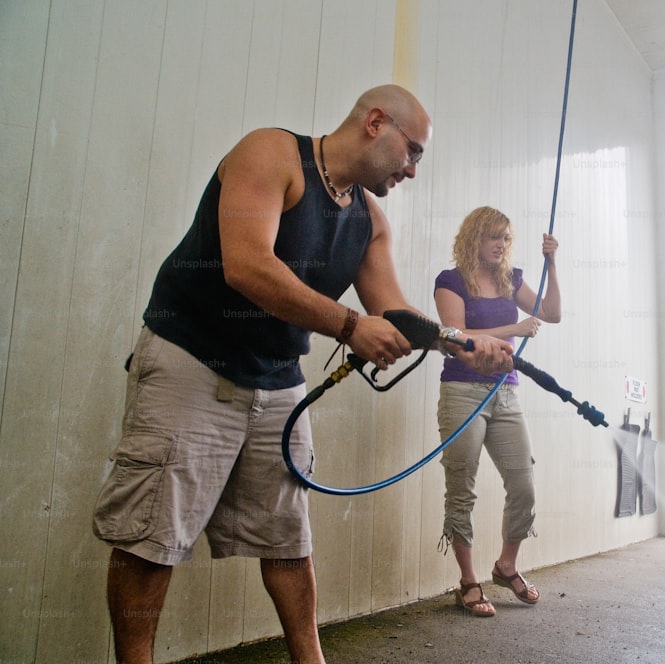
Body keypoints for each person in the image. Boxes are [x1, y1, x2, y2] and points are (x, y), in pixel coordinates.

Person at [91, 85, 514, 664]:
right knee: (151, 536)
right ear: (374, 123)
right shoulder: (271, 154)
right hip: (190, 359)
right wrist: (347, 326)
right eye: (411, 151)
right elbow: (246, 263)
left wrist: (462, 344)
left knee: (289, 538)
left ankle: (309, 658)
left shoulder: (369, 221)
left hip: (277, 380)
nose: (413, 169)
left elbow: (390, 309)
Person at [434, 206, 562, 617]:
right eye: (494, 237)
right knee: (462, 487)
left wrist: (551, 263)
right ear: (475, 238)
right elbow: (455, 337)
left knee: (523, 482)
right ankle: (469, 582)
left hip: (505, 393)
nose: (501, 245)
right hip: (461, 391)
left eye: (506, 238)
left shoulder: (513, 279)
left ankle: (506, 566)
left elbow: (552, 314)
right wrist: (513, 329)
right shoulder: (450, 281)